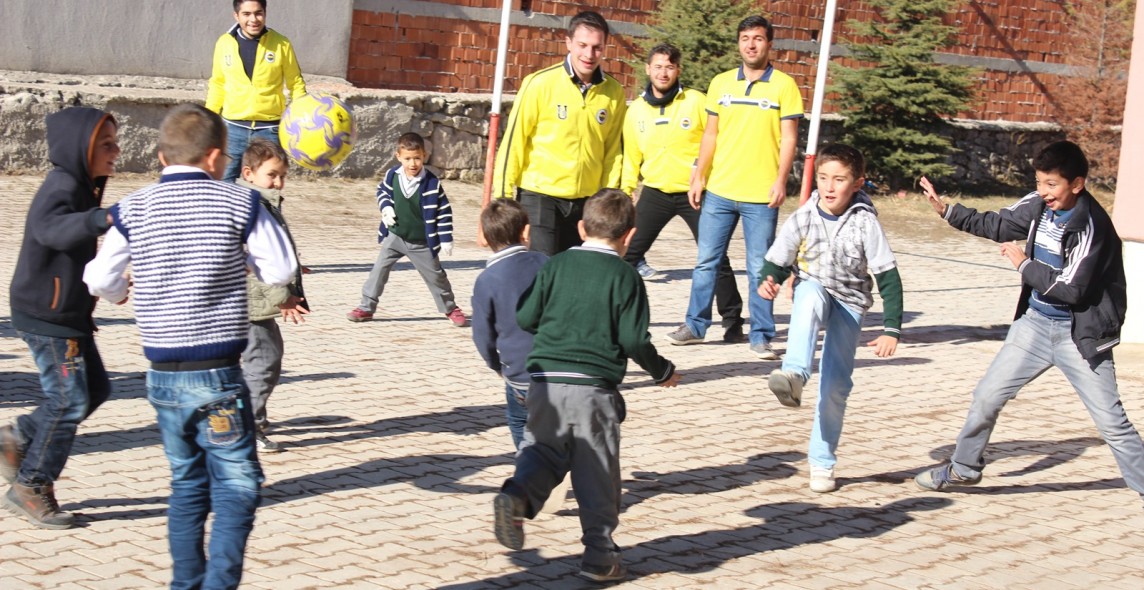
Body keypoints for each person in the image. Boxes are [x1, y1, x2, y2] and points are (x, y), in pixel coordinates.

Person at [84, 103, 298, 588]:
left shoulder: (134, 207)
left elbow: (98, 278)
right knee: (239, 483)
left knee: (186, 481)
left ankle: (185, 583)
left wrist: (120, 292)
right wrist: (247, 263)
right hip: (217, 375)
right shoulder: (239, 202)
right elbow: (281, 269)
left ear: (162, 157)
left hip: (161, 376)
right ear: (217, 158)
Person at [913, 141, 1144, 503]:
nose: (1043, 191)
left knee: (1112, 423)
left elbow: (1072, 289)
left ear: (1077, 184)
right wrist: (948, 211)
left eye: (1052, 184)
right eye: (1039, 182)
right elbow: (1000, 223)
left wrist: (1024, 264)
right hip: (1034, 325)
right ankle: (964, 468)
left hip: (1080, 337)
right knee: (987, 396)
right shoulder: (1038, 204)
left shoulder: (1092, 226)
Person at [492, 189, 681, 583]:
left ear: (581, 228)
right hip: (592, 388)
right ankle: (599, 556)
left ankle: (517, 494)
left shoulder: (556, 264)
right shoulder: (626, 276)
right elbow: (634, 340)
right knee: (596, 471)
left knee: (543, 452)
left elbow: (526, 316)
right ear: (630, 235)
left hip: (543, 381)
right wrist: (662, 370)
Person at [1, 107, 120, 530]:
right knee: (69, 400)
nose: (116, 151)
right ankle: (31, 486)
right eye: (106, 144)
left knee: (95, 390)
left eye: (115, 142)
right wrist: (103, 218)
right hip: (48, 314)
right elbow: (50, 229)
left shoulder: (85, 185)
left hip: (67, 313)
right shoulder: (63, 185)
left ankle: (18, 438)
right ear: (80, 147)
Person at [757, 144, 902, 493]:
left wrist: (891, 329)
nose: (829, 187)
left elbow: (888, 278)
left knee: (836, 386)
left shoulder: (866, 223)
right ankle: (794, 374)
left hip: (851, 303)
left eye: (839, 179)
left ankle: (822, 462)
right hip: (815, 288)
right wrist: (770, 279)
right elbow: (777, 259)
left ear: (857, 183)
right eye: (823, 178)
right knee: (808, 293)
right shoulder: (804, 216)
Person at [666, 15, 804, 360]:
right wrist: (699, 175)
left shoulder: (784, 86)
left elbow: (789, 139)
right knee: (706, 262)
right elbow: (710, 134)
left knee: (760, 268)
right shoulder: (721, 83)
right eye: (745, 38)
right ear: (739, 43)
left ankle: (761, 335)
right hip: (720, 191)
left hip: (761, 195)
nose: (751, 45)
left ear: (769, 44)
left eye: (757, 38)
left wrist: (781, 179)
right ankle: (695, 326)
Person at [620, 42, 745, 343]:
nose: (663, 73)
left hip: (696, 192)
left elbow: (715, 139)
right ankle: (615, 315)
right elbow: (631, 155)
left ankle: (733, 321)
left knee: (714, 256)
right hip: (655, 192)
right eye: (658, 66)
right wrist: (626, 190)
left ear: (678, 70)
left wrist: (701, 173)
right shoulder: (635, 110)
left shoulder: (696, 101)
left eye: (669, 67)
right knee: (627, 254)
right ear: (648, 69)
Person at [491, 10, 626, 255]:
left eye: (597, 47)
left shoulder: (614, 92)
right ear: (568, 43)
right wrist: (502, 199)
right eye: (582, 45)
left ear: (605, 48)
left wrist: (609, 197)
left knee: (575, 271)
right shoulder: (539, 83)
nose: (589, 54)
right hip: (540, 196)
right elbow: (514, 142)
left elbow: (613, 151)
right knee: (542, 268)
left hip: (588, 202)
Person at [346, 132, 467, 326]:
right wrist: (385, 207)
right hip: (395, 236)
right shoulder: (392, 175)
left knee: (436, 276)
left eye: (417, 158)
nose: (413, 164)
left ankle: (451, 308)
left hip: (421, 242)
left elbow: (443, 211)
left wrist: (445, 238)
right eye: (408, 159)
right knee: (378, 271)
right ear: (398, 156)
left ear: (424, 156)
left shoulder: (431, 183)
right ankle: (366, 307)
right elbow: (382, 191)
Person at [236, 138, 309, 454]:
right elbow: (251, 260)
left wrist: (293, 264)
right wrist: (282, 296)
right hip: (253, 303)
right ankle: (247, 427)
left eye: (283, 176)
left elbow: (271, 250)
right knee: (264, 362)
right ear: (248, 173)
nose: (278, 182)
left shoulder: (262, 201)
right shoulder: (251, 205)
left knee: (259, 360)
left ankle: (246, 418)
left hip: (253, 301)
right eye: (271, 175)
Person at [470, 200, 548, 449]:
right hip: (558, 366)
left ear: (484, 237)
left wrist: (495, 364)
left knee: (518, 421)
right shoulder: (547, 263)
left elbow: (482, 334)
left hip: (519, 372)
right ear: (526, 231)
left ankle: (529, 464)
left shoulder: (486, 280)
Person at [206, 0, 307, 182]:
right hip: (232, 129)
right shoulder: (224, 43)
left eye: (258, 13)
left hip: (269, 131)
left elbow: (296, 83)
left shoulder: (281, 44)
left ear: (265, 13)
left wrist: (302, 118)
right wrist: (209, 119)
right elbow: (218, 83)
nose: (253, 19)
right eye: (246, 14)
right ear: (236, 16)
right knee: (223, 183)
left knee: (266, 188)